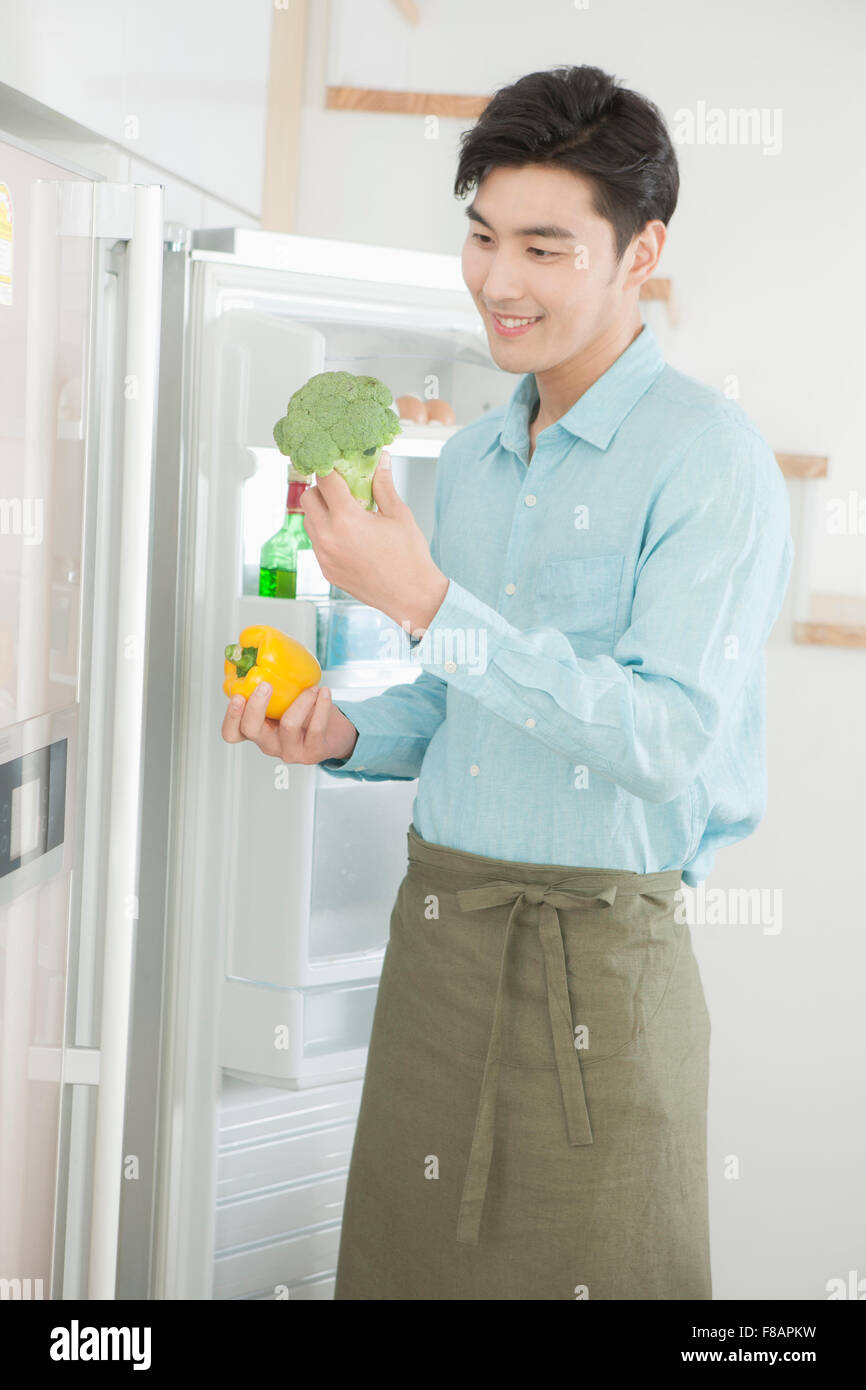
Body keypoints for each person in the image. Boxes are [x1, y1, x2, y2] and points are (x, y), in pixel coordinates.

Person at [221, 64, 793, 1300]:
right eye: (481, 235)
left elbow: (658, 736)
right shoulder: (478, 456)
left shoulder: (709, 458)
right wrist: (342, 732)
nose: (497, 280)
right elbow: (461, 695)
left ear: (639, 250)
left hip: (600, 962)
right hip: (441, 947)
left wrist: (424, 600)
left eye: (544, 246)